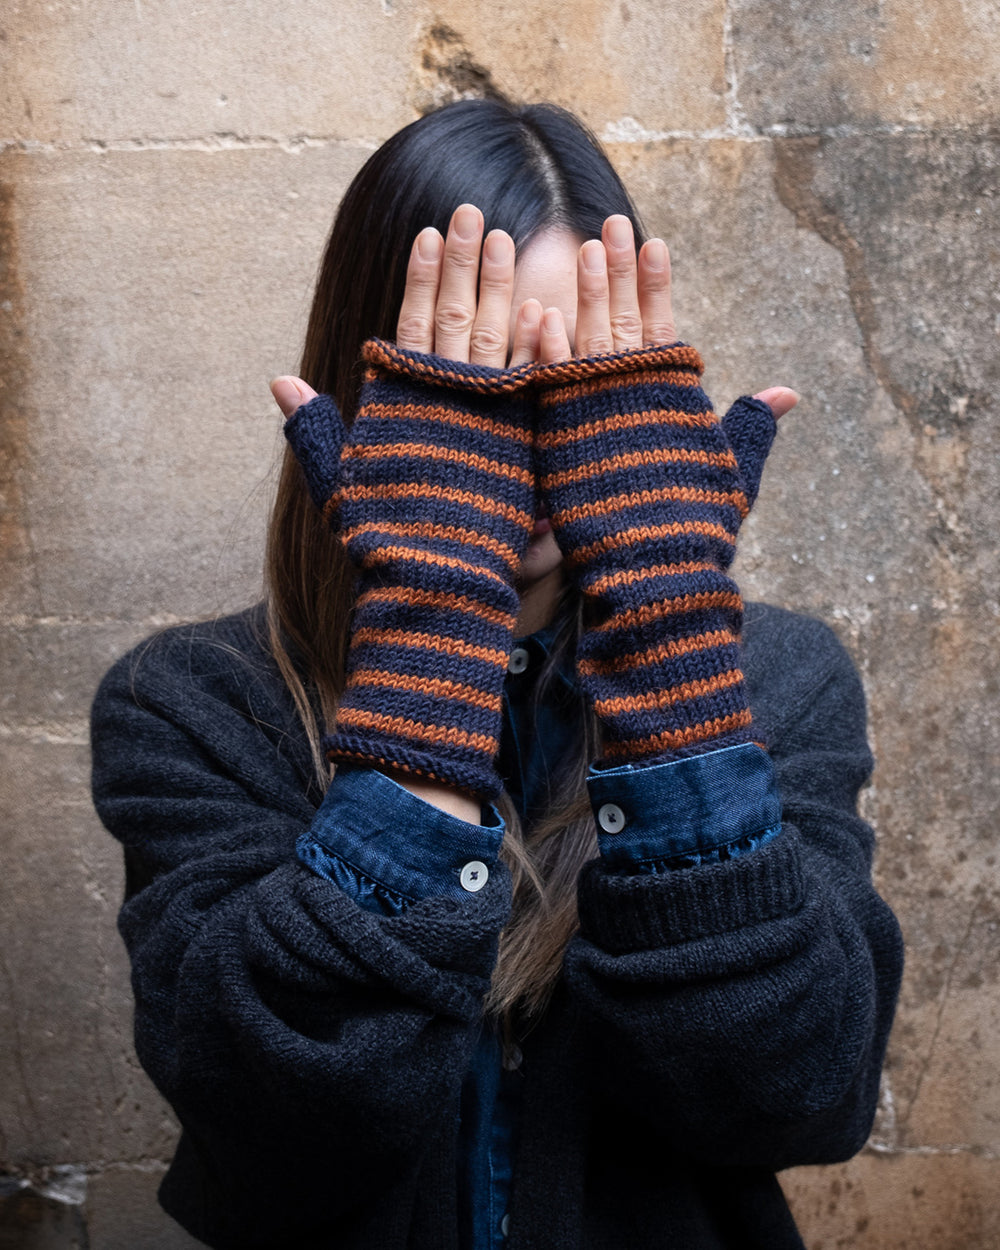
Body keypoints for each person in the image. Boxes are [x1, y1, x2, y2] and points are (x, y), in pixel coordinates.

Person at [91, 98, 904, 1250]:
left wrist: (671, 654)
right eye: (475, 377)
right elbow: (275, 1139)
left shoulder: (775, 679)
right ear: (369, 390)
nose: (520, 439)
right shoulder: (194, 701)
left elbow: (796, 1098)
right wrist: (431, 630)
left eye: (573, 377)